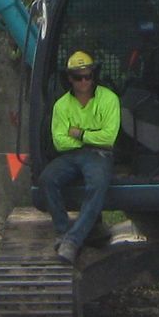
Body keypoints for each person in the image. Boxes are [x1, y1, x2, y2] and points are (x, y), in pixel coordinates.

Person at [40, 50, 120, 264]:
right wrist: (91, 138)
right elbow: (59, 142)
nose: (84, 81)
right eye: (78, 77)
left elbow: (109, 138)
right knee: (47, 179)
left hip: (100, 155)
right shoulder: (61, 105)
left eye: (88, 76)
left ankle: (72, 241)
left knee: (97, 184)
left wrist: (80, 134)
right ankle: (62, 231)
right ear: (69, 78)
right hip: (72, 155)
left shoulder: (109, 99)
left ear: (94, 75)